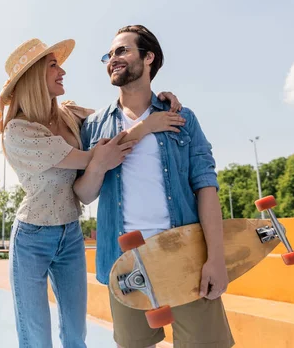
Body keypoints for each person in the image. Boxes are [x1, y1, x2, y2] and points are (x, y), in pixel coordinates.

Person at [0, 37, 185, 348]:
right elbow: (96, 157)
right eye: (53, 65)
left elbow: (119, 115)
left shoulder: (68, 114)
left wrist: (155, 100)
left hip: (70, 234)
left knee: (75, 335)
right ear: (32, 77)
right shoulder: (19, 131)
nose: (62, 71)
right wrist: (148, 125)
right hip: (32, 238)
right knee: (35, 336)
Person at [73, 25, 235, 348]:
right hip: (125, 265)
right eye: (110, 54)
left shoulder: (181, 117)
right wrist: (101, 162)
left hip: (186, 256)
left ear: (148, 58)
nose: (112, 59)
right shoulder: (94, 126)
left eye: (122, 51)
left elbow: (206, 188)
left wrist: (216, 258)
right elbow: (84, 194)